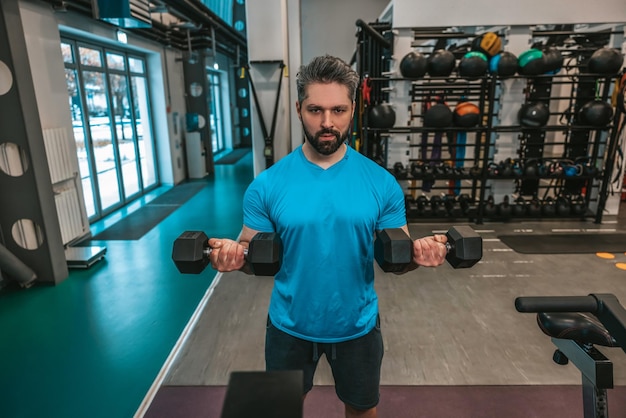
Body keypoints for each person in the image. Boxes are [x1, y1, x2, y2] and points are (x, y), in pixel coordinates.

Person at [208, 55, 448, 418]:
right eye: (315, 109)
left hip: (357, 325)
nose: (326, 123)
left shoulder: (381, 183)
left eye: (338, 110)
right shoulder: (267, 185)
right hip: (288, 325)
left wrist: (420, 255)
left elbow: (396, 257)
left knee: (362, 410)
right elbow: (251, 256)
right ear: (298, 108)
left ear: (354, 109)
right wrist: (230, 257)